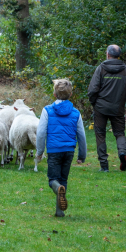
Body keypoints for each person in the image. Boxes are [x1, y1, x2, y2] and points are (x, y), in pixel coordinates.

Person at [35, 79, 87, 218]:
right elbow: (81, 135)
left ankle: (58, 189)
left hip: (54, 150)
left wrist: (39, 152)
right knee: (63, 179)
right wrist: (82, 155)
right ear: (70, 95)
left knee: (53, 179)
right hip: (69, 151)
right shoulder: (76, 113)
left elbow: (40, 133)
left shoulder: (47, 110)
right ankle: (59, 211)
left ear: (54, 94)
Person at [87, 44, 126, 172]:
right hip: (118, 108)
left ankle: (104, 166)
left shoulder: (101, 69)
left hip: (101, 108)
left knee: (100, 135)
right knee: (120, 133)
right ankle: (122, 153)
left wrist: (95, 103)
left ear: (108, 54)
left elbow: (92, 90)